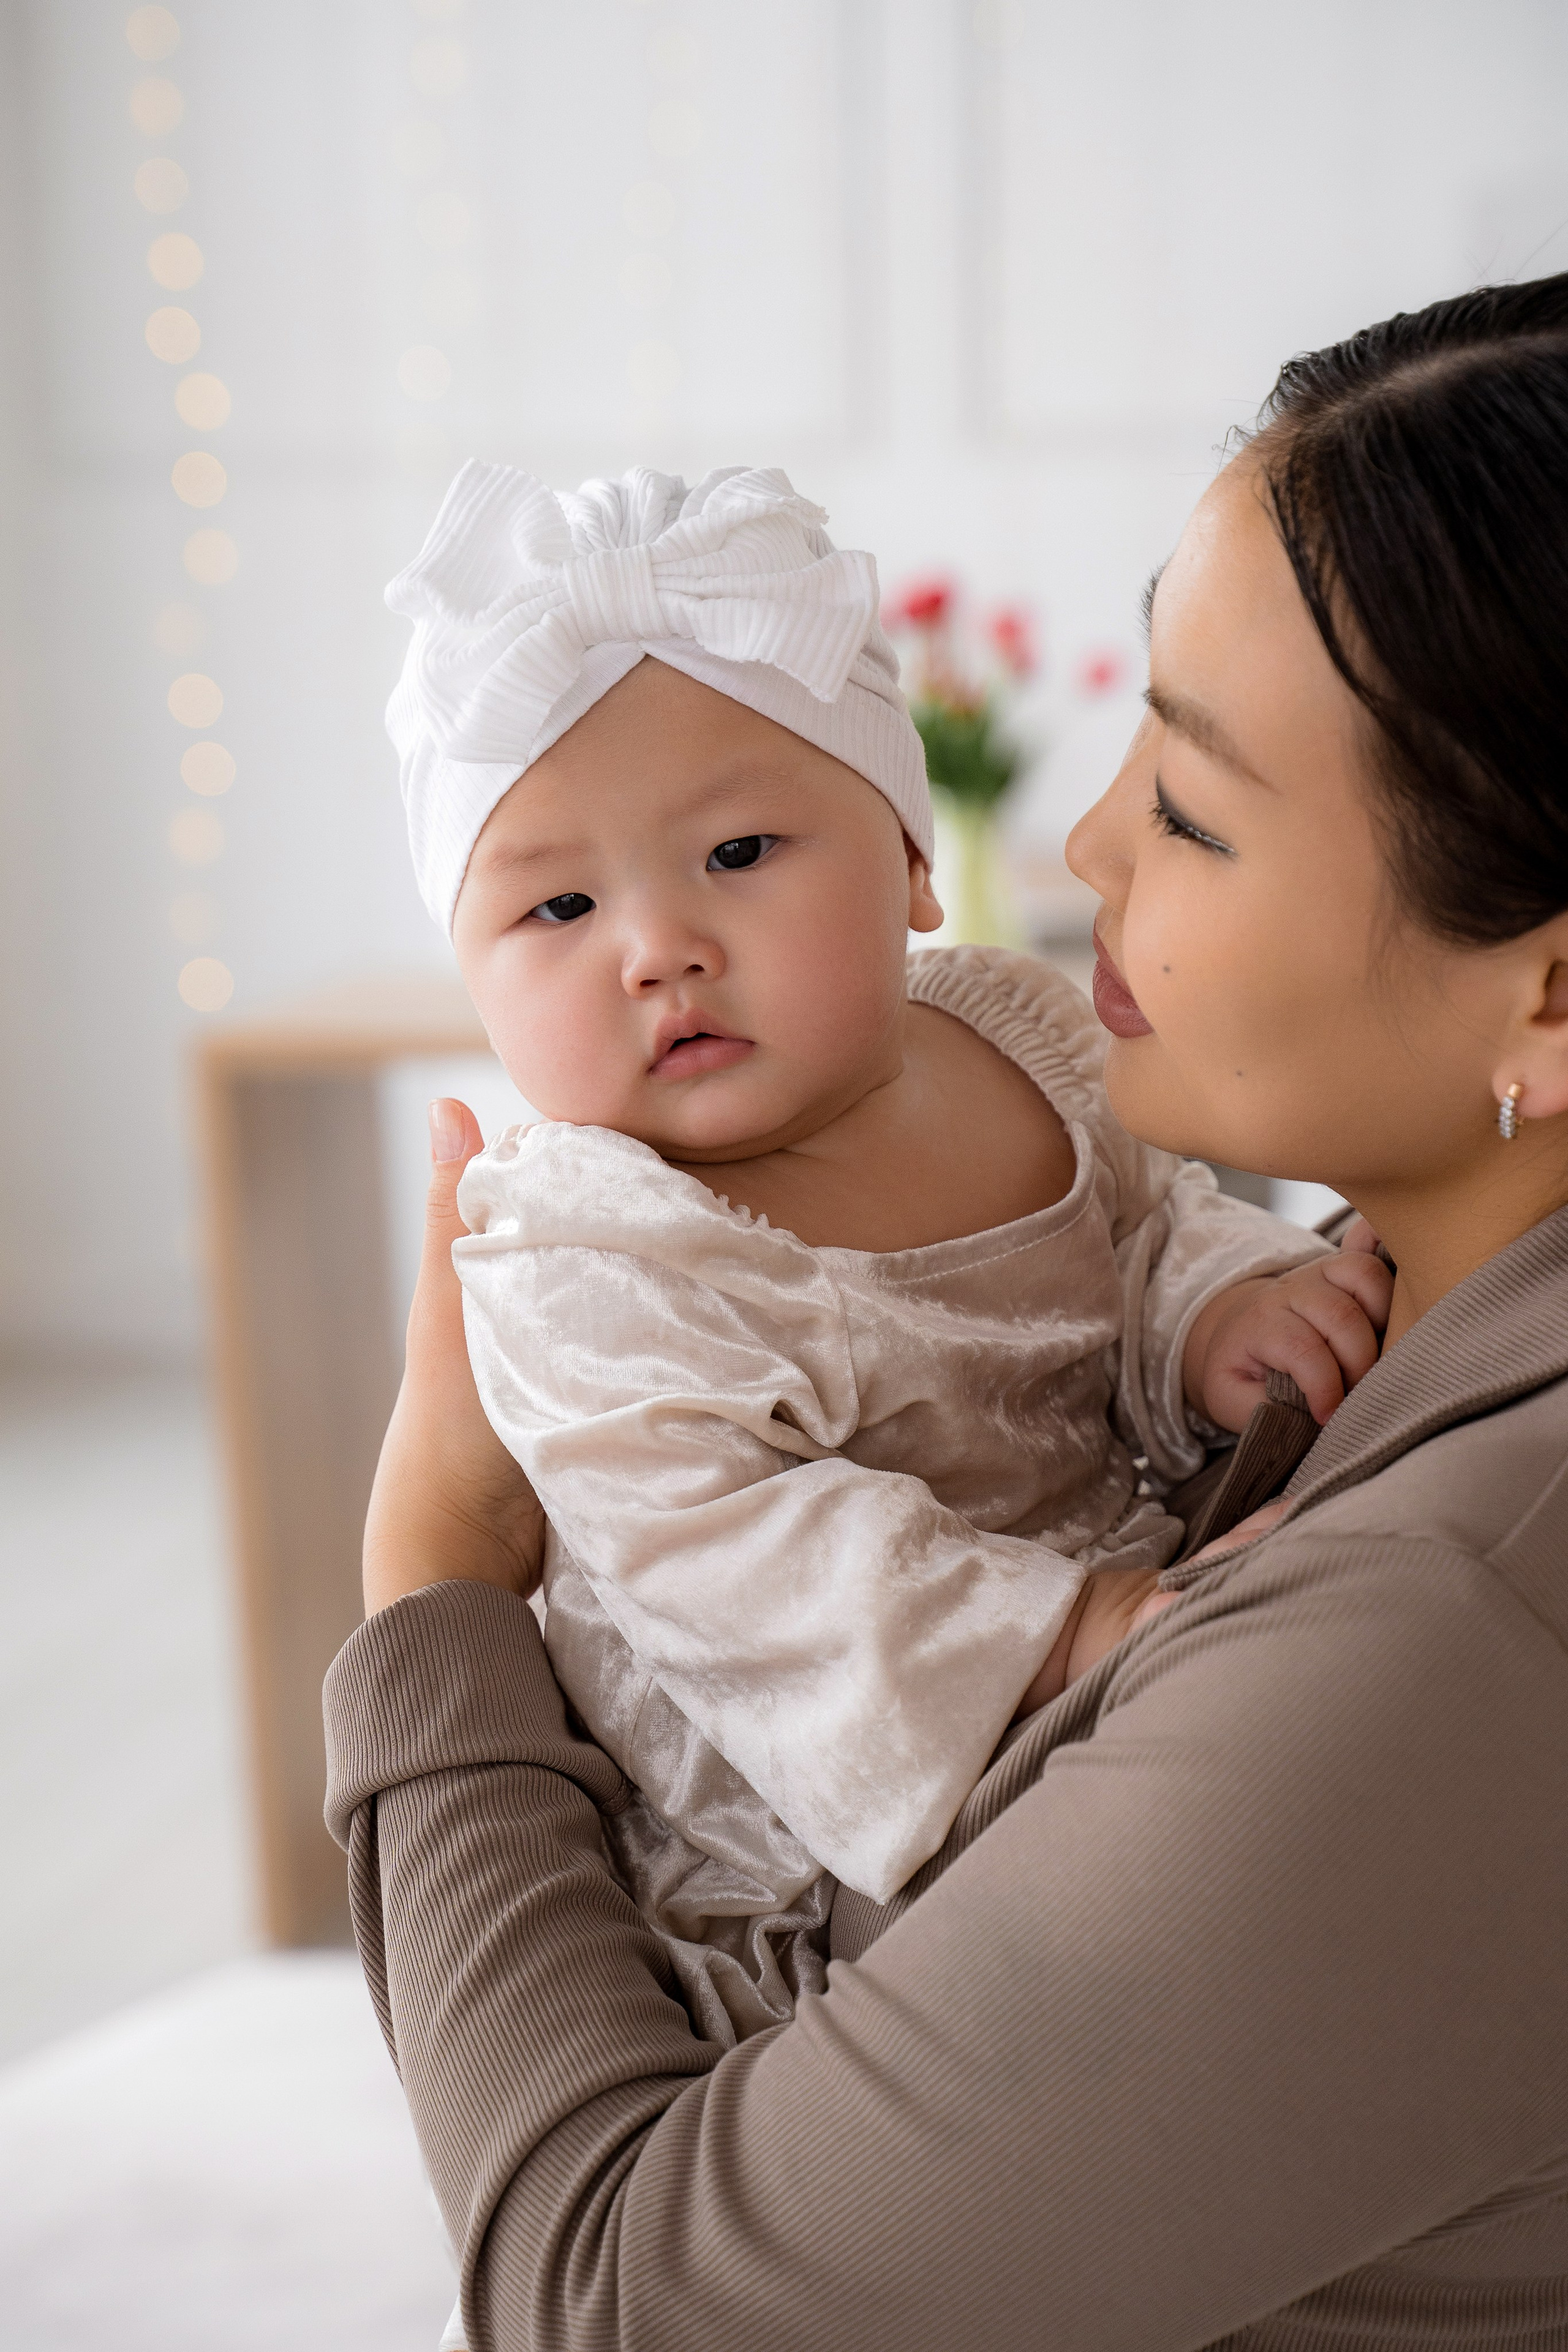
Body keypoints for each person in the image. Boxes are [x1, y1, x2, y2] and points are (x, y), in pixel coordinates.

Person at [327, 276, 1568, 2350]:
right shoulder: (607, 1251)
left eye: (1187, 805)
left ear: (1548, 986)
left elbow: (621, 2308)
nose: (1077, 842)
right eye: (551, 903)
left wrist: (432, 1580)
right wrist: (1240, 1315)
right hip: (782, 1803)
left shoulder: (1450, 1637)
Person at [380, 459, 1377, 2048]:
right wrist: (1066, 1634)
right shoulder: (588, 1242)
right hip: (809, 1839)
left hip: (1123, 1643)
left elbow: (1144, 1223)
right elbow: (740, 1557)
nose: (659, 949)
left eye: (738, 854)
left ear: (913, 859)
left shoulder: (1017, 1029)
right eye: (558, 905)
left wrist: (1210, 1310)